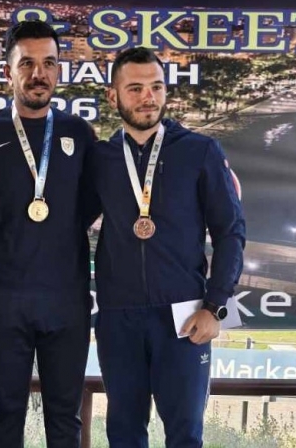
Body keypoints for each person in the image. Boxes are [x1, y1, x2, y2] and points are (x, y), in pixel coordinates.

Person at [87, 47, 245, 448]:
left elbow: (230, 232)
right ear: (112, 96)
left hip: (184, 315)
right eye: (136, 88)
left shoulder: (200, 151)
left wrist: (215, 306)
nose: (148, 97)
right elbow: (67, 227)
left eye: (156, 87)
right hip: (118, 317)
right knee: (123, 434)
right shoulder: (101, 158)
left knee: (185, 435)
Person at [0, 20, 94, 448]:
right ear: (8, 71)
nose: (39, 74)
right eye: (27, 64)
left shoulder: (79, 133)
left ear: (59, 70)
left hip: (67, 302)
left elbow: (92, 205)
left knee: (65, 418)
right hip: (3, 302)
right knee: (6, 415)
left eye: (49, 63)